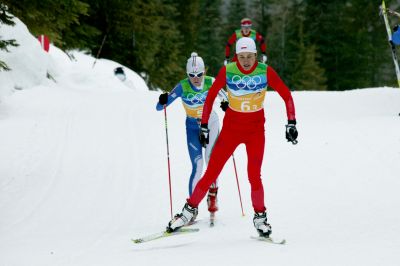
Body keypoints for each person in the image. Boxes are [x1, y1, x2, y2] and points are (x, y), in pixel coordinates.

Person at [166, 38, 298, 238]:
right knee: (211, 172)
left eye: (250, 57)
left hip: (255, 132)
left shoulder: (265, 70)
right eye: (242, 57)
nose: (246, 61)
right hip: (231, 131)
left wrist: (291, 122)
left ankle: (260, 217)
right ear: (236, 57)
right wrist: (203, 126)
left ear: (256, 56)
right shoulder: (228, 71)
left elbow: (286, 94)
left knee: (254, 175)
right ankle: (187, 212)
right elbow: (210, 97)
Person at [156, 52, 228, 220]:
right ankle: (192, 209)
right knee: (198, 165)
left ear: (205, 71)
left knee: (211, 160)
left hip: (211, 123)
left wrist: (226, 106)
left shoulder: (211, 82)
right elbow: (160, 107)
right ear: (187, 74)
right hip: (192, 127)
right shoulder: (182, 86)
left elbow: (228, 101)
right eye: (192, 75)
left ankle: (212, 194)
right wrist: (162, 100)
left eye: (199, 74)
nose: (196, 78)